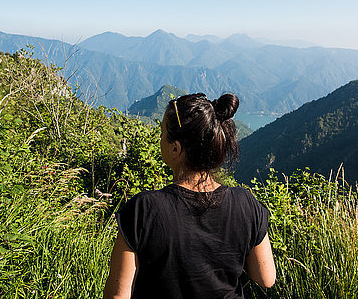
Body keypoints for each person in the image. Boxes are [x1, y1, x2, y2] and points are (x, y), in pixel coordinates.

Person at [103, 93, 275, 299]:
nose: (160, 140)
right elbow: (266, 278)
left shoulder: (144, 209)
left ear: (176, 148)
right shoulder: (246, 203)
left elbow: (117, 296)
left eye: (162, 134)